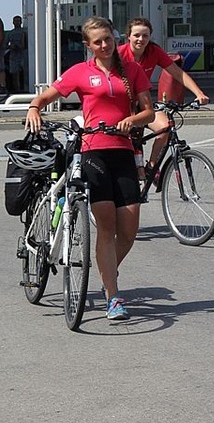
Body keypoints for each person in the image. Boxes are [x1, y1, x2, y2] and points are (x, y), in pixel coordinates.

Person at [25, 17, 155, 320]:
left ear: (114, 38)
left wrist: (131, 120)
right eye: (97, 41)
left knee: (130, 229)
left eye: (108, 39)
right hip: (93, 151)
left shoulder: (131, 71)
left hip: (123, 150)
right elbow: (47, 95)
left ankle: (105, 267)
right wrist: (34, 108)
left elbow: (149, 112)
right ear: (88, 45)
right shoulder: (81, 73)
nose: (105, 45)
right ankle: (113, 295)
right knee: (106, 226)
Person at [118, 17, 209, 181]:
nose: (141, 39)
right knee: (127, 139)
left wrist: (199, 93)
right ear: (128, 37)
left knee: (165, 127)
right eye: (137, 35)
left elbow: (177, 72)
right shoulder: (119, 54)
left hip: (143, 103)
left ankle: (151, 167)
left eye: (145, 36)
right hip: (121, 105)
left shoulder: (154, 51)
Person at [6, 15, 27, 93]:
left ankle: (24, 89)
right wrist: (11, 46)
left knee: (24, 74)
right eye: (15, 21)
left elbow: (25, 45)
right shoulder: (10, 33)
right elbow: (5, 44)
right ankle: (16, 90)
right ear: (12, 22)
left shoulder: (24, 32)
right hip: (13, 56)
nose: (17, 23)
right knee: (14, 74)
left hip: (23, 56)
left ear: (21, 22)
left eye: (18, 21)